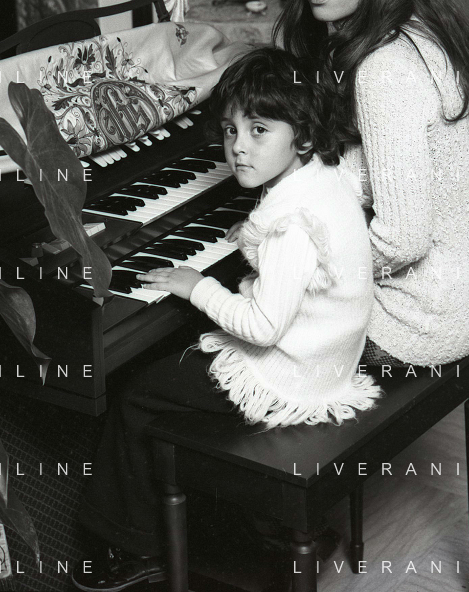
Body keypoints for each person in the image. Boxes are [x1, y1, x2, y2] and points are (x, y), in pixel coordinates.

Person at [74, 46, 379, 592]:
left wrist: (198, 286)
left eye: (259, 131)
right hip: (326, 355)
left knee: (137, 395)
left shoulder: (291, 226)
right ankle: (240, 524)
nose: (238, 147)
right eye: (230, 130)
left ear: (301, 137)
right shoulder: (321, 181)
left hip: (290, 374)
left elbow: (263, 327)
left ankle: (130, 547)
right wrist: (247, 248)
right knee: (184, 352)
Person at [274, 0, 469, 371]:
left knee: (229, 321)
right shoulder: (424, 25)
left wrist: (301, 267)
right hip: (463, 299)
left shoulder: (385, 69)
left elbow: (403, 240)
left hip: (415, 320)